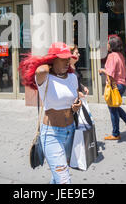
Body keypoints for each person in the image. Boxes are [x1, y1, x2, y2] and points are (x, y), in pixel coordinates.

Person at [19, 42, 82, 184]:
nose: (67, 61)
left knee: (57, 176)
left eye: (68, 58)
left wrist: (76, 106)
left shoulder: (72, 78)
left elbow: (73, 101)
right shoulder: (45, 78)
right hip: (52, 134)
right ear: (53, 59)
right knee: (64, 180)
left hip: (70, 132)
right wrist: (50, 62)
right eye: (63, 58)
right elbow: (40, 70)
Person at [99, 36, 126, 140]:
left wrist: (102, 70)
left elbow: (110, 74)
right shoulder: (120, 56)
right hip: (121, 85)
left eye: (108, 43)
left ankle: (116, 134)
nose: (106, 45)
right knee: (115, 107)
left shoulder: (111, 56)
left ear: (111, 45)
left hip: (114, 85)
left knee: (112, 109)